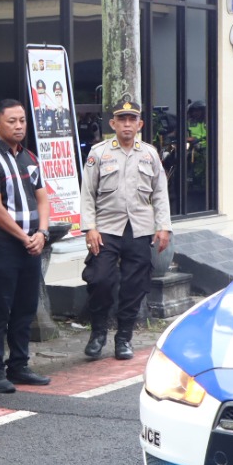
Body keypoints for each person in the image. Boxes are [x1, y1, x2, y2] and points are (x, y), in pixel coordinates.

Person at [80, 99, 172, 361]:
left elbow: (160, 193)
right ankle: (98, 334)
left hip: (140, 229)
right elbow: (87, 193)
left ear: (140, 124)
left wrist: (163, 227)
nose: (127, 124)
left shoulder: (149, 154)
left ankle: (124, 339)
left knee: (135, 285)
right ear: (113, 123)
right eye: (122, 119)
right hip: (107, 228)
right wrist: (90, 228)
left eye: (132, 119)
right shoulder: (99, 153)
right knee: (100, 279)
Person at [0, 99, 51, 394]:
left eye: (22, 120)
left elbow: (43, 198)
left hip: (32, 243)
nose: (19, 126)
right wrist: (24, 236)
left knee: (25, 307)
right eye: (12, 121)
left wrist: (42, 233)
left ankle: (19, 365)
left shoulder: (29, 157)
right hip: (3, 243)